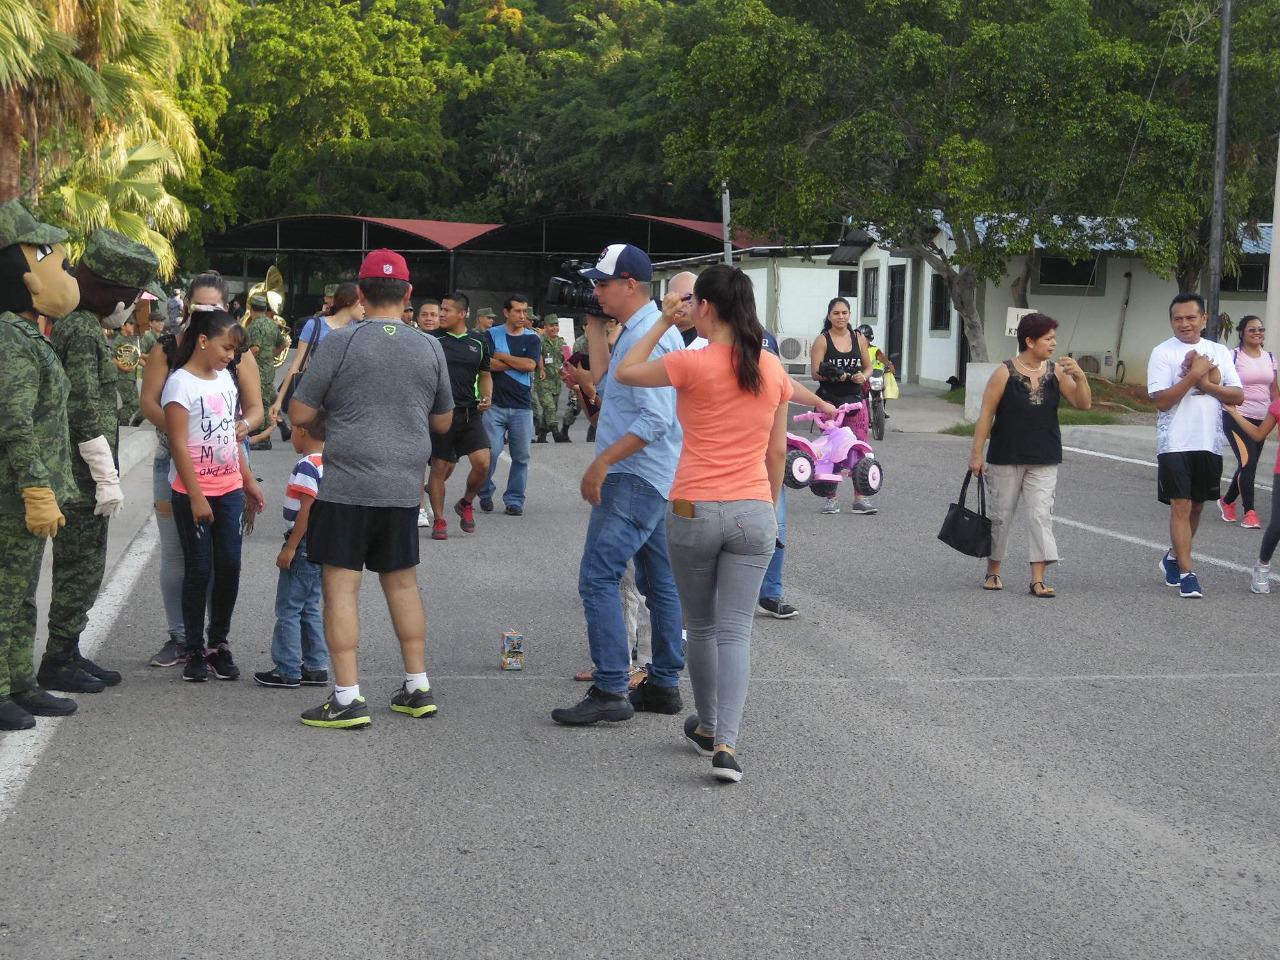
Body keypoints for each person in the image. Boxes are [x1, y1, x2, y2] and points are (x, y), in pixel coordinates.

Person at [612, 264, 790, 783]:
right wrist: (765, 505)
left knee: (703, 626)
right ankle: (726, 743)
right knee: (736, 631)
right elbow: (777, 453)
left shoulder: (692, 360)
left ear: (704, 307)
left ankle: (708, 724)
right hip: (753, 507)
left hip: (693, 506)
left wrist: (664, 322)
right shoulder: (771, 367)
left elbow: (626, 371)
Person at [289, 249, 453, 729]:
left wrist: (336, 417)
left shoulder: (340, 342)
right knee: (402, 583)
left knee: (341, 587)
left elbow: (300, 413)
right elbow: (443, 420)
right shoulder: (429, 347)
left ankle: (346, 696)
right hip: (402, 486)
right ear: (408, 294)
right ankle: (417, 686)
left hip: (346, 483)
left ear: (360, 294)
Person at [551, 243, 685, 727]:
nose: (595, 291)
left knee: (598, 577)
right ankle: (664, 683)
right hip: (653, 476)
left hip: (634, 476)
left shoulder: (650, 334)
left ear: (630, 284)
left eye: (602, 283)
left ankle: (611, 687)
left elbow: (654, 419)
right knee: (658, 581)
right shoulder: (639, 329)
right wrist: (593, 327)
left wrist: (602, 462)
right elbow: (609, 389)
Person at [38, 230, 158, 696]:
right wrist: (105, 475)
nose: (131, 308)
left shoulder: (81, 325)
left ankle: (67, 650)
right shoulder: (83, 330)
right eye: (131, 298)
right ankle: (58, 658)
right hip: (80, 473)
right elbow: (85, 407)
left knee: (85, 564)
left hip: (82, 469)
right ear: (112, 292)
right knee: (80, 567)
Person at [139, 273, 264, 668]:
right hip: (174, 460)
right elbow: (149, 402)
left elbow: (254, 409)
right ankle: (182, 638)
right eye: (200, 306)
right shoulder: (168, 347)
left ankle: (214, 641)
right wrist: (184, 430)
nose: (207, 312)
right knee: (179, 556)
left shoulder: (234, 353)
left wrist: (243, 426)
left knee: (223, 559)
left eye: (215, 306)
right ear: (188, 307)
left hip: (227, 462)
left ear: (227, 309)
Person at [0, 200, 82, 729]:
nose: (67, 274)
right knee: (5, 596)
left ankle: (18, 681)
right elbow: (14, 421)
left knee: (22, 595)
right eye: (55, 260)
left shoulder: (28, 333)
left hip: (26, 493)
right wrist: (35, 487)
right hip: (11, 494)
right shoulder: (10, 337)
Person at [968, 313, 1092, 598]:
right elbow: (986, 414)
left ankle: (1038, 579)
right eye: (1048, 338)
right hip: (1005, 455)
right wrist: (976, 454)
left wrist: (1081, 377)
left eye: (1054, 338)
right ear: (1030, 341)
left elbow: (1083, 403)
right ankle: (993, 570)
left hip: (1045, 456)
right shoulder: (1004, 372)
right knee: (1001, 516)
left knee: (1040, 516)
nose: (1053, 343)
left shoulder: (1056, 372)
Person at [1149, 293, 1244, 599]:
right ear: (1171, 321)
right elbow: (1162, 401)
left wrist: (1206, 384)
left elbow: (1237, 395)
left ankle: (1174, 556)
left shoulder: (1219, 352)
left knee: (1198, 505)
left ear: (1204, 319)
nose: (1184, 324)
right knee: (1181, 504)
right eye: (1178, 319)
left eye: (1191, 317)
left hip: (1208, 441)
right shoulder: (1162, 352)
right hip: (1174, 442)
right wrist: (1193, 375)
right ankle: (1188, 574)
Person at [253, 416, 330, 688]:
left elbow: (307, 509)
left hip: (304, 543)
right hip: (322, 544)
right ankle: (316, 666)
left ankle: (287, 669)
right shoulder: (329, 462)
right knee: (309, 606)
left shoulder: (307, 465)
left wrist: (291, 546)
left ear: (302, 431)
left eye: (294, 430)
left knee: (289, 607)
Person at [425, 291, 493, 540]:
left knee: (483, 463)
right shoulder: (432, 339)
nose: (441, 314)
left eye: (447, 310)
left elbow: (485, 374)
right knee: (440, 467)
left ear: (462, 313)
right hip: (441, 413)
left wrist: (487, 396)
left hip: (469, 413)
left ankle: (466, 502)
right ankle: (439, 520)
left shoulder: (479, 341)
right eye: (441, 309)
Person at [811, 297, 875, 514]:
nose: (841, 317)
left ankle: (860, 498)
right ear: (829, 316)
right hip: (829, 402)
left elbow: (868, 367)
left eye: (844, 313)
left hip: (855, 401)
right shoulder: (822, 340)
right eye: (836, 313)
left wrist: (863, 376)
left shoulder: (859, 338)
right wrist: (835, 376)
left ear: (849, 315)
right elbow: (815, 372)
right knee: (830, 450)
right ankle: (831, 498)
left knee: (859, 448)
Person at [270, 282, 362, 433]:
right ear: (349, 302)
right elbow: (297, 364)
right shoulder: (315, 325)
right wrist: (279, 401)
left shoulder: (358, 330)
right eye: (361, 303)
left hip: (343, 401)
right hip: (315, 397)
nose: (365, 307)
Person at [478, 295, 540, 515]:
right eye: (518, 311)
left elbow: (530, 365)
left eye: (525, 311)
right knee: (491, 453)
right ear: (506, 312)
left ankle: (514, 500)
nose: (523, 316)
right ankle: (484, 492)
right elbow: (488, 363)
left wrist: (503, 356)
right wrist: (517, 363)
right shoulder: (491, 334)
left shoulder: (532, 338)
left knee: (521, 457)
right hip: (495, 405)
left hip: (522, 408)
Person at [1218, 315, 1276, 529]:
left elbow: (1274, 391)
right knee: (1248, 463)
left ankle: (1227, 501)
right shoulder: (1233, 356)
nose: (1257, 333)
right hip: (1237, 416)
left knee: (1248, 464)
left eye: (1261, 329)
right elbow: (1221, 383)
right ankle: (1249, 512)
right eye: (1252, 329)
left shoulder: (1270, 357)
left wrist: (1277, 416)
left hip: (1262, 419)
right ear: (1241, 333)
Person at [245, 293, 287, 450]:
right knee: (269, 398)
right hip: (268, 368)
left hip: (257, 369)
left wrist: (243, 360)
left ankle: (263, 438)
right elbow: (282, 344)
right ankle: (283, 427)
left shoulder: (255, 325)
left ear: (251, 309)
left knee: (261, 401)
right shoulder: (272, 324)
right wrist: (271, 356)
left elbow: (255, 348)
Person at [534, 313, 568, 443]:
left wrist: (566, 372)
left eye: (556, 325)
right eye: (551, 325)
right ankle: (556, 433)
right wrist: (541, 368)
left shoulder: (562, 342)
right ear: (545, 327)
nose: (554, 328)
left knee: (551, 409)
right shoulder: (540, 341)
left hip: (556, 382)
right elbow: (537, 355)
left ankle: (541, 436)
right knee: (549, 407)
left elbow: (567, 359)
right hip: (543, 381)